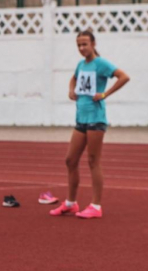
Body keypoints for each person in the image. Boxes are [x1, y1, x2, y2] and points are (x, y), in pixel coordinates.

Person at [50, 30, 129, 219]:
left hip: (96, 118)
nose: (82, 48)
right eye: (79, 45)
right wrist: (71, 90)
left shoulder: (101, 64)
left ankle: (96, 205)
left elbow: (124, 77)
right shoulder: (81, 64)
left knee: (93, 161)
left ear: (93, 44)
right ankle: (71, 203)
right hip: (81, 119)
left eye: (85, 44)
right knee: (70, 160)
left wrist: (104, 94)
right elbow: (74, 78)